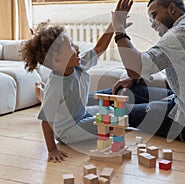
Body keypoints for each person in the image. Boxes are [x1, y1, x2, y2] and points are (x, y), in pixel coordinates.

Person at [90, 0, 185, 142]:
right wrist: (137, 78)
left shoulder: (182, 33)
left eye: (154, 15)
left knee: (116, 110)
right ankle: (79, 101)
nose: (152, 23)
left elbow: (135, 69)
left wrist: (119, 30)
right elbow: (179, 79)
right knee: (126, 90)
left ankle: (75, 113)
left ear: (172, 9)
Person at [22, 23, 115, 162]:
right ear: (57, 60)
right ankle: (44, 97)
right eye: (71, 45)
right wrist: (52, 149)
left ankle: (43, 96)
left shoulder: (77, 64)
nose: (77, 47)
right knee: (109, 122)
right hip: (67, 131)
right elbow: (46, 121)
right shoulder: (56, 85)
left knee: (111, 111)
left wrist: (113, 25)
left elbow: (99, 48)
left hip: (80, 115)